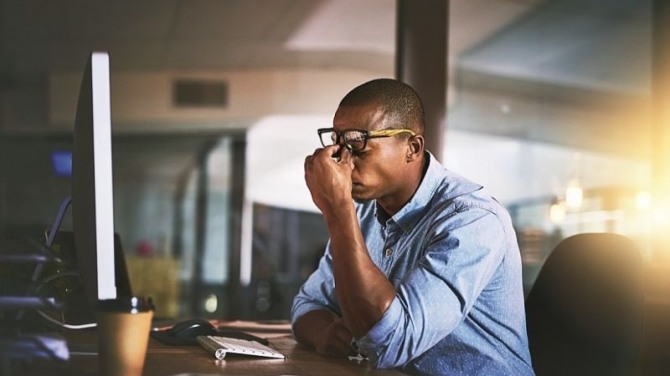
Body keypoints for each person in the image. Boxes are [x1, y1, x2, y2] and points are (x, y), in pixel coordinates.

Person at [291, 78, 534, 375]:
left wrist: (337, 211)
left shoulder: (473, 220)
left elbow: (390, 342)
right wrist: (325, 334)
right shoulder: (364, 212)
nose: (342, 163)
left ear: (412, 147)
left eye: (357, 145)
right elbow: (308, 303)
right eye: (338, 144)